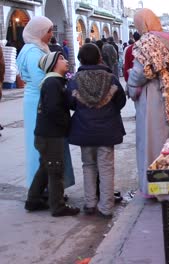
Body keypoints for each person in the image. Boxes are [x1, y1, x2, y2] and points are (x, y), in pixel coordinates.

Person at [126, 8, 169, 196]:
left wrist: (131, 85)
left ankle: (155, 188)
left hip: (154, 99)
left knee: (152, 142)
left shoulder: (148, 42)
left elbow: (140, 73)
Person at [67, 43, 126, 218]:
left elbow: (70, 104)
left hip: (84, 130)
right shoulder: (111, 78)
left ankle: (90, 203)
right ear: (99, 57)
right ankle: (106, 207)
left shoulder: (75, 80)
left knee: (88, 166)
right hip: (107, 130)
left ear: (80, 59)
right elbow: (121, 101)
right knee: (106, 167)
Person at [17, 16, 75, 191]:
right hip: (39, 100)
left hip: (41, 98)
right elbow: (41, 80)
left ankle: (48, 189)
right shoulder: (33, 52)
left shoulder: (37, 48)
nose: (51, 34)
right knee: (45, 147)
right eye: (48, 31)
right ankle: (44, 189)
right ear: (39, 32)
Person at [24, 52, 80, 216]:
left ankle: (33, 200)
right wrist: (66, 124)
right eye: (61, 59)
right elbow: (53, 109)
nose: (65, 61)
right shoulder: (52, 83)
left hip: (45, 134)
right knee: (56, 170)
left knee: (45, 167)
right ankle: (57, 206)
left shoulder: (55, 82)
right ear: (53, 64)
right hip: (51, 135)